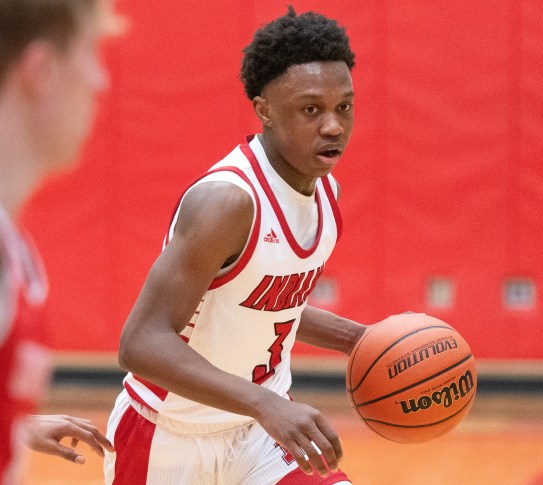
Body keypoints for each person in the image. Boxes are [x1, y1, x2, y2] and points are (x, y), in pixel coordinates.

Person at [105, 6, 372, 485]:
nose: (333, 126)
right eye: (311, 109)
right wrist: (266, 403)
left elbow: (255, 300)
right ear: (264, 110)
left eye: (344, 107)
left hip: (258, 436)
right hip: (167, 438)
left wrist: (358, 340)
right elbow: (140, 342)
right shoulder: (227, 202)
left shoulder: (324, 189)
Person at [0, 0, 121, 482]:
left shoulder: (14, 243)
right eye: (91, 53)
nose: (100, 81)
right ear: (41, 70)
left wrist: (14, 427)